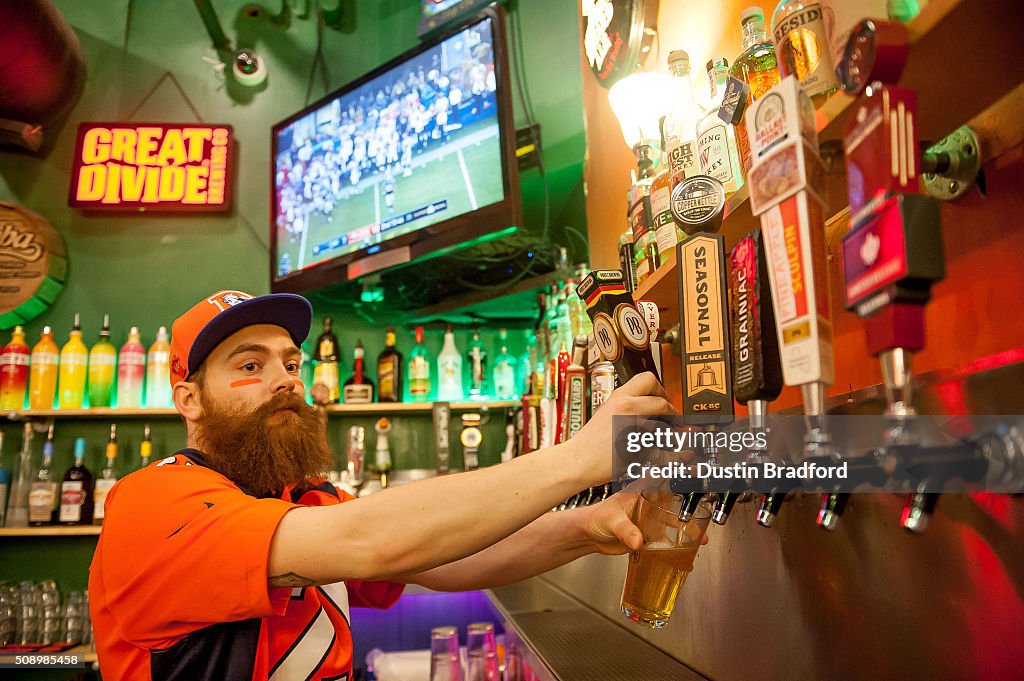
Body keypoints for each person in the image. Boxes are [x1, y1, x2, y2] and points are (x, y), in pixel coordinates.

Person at [88, 290, 676, 680]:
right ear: (189, 400)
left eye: (290, 364)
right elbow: (369, 540)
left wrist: (586, 526)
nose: (284, 381)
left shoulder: (301, 497)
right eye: (249, 366)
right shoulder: (153, 504)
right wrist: (577, 459)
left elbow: (442, 556)